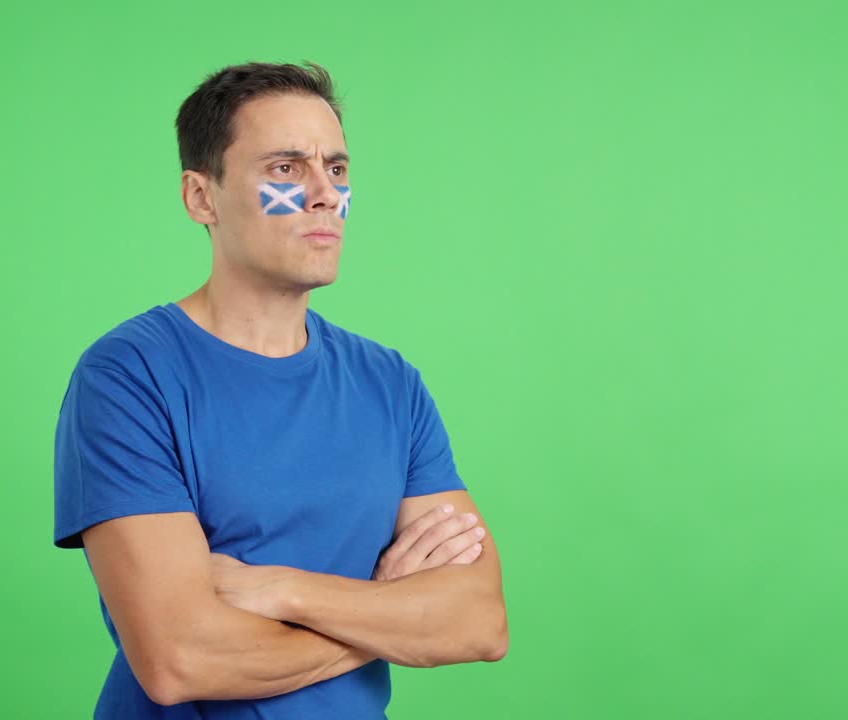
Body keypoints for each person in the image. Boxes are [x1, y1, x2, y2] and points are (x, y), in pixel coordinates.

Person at [52, 60, 508, 719]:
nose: (325, 194)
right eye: (286, 169)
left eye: (338, 169)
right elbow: (180, 660)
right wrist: (383, 610)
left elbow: (479, 621)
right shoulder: (128, 376)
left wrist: (286, 592)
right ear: (200, 197)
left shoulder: (389, 383)